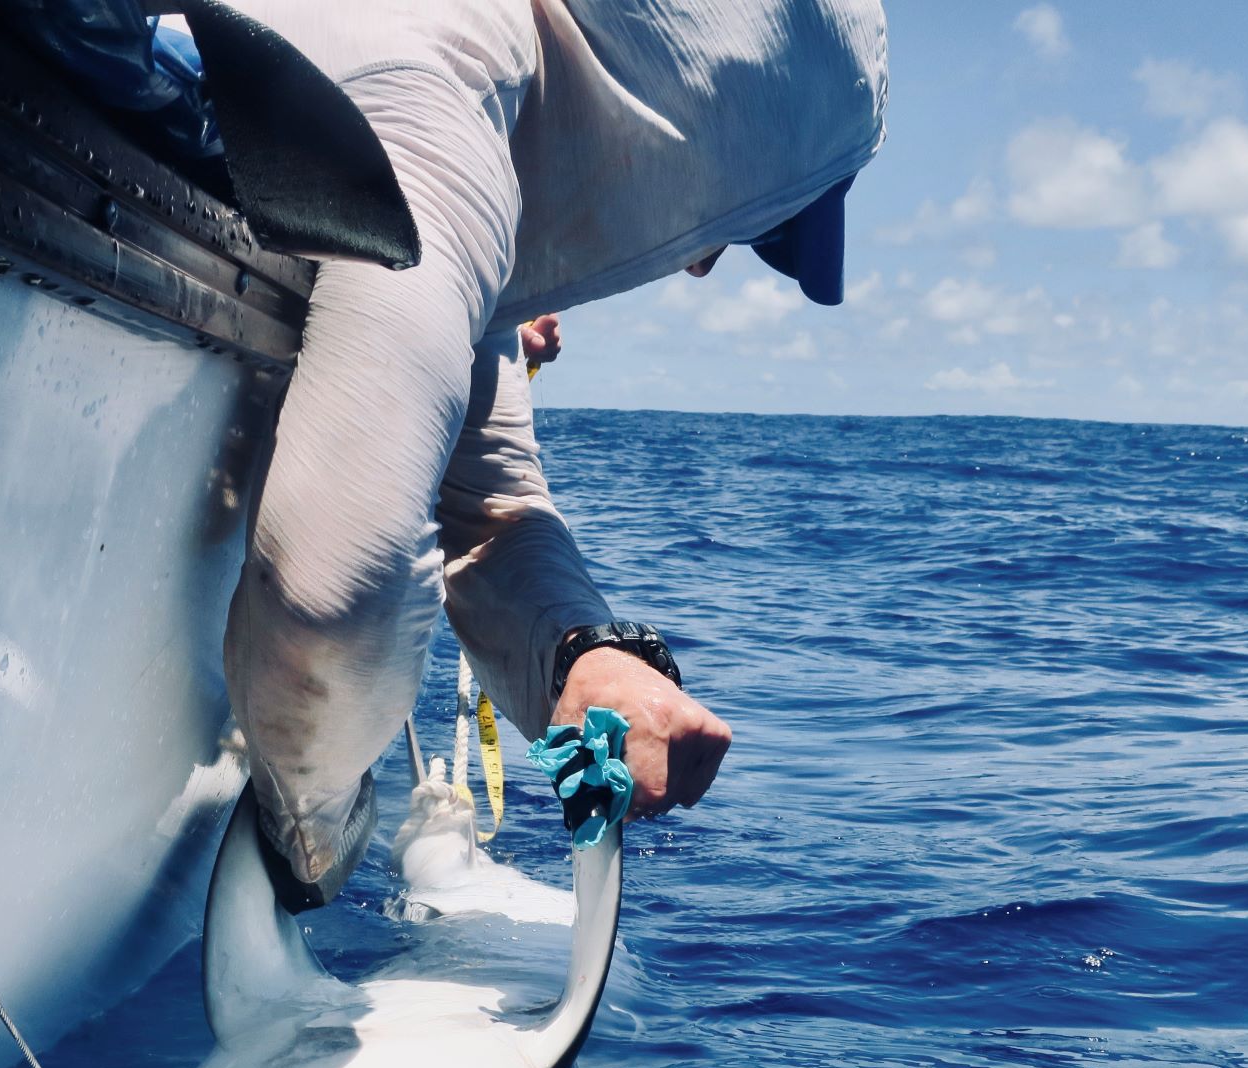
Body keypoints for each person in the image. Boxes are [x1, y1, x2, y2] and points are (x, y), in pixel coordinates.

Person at [221, 0, 889, 905]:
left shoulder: (480, 157)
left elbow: (490, 511)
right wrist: (313, 844)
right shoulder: (433, 101)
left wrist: (585, 656)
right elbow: (329, 604)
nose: (700, 268)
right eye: (740, 225)